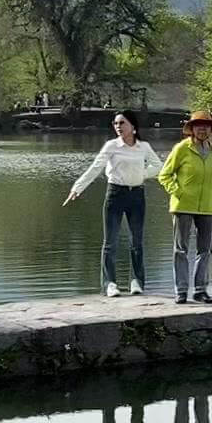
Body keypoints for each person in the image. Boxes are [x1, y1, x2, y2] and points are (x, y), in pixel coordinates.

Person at [66, 110, 165, 298]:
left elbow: (158, 166)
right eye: (116, 124)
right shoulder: (111, 146)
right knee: (110, 242)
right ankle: (110, 283)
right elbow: (95, 167)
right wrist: (78, 187)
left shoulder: (143, 147)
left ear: (133, 127)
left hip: (136, 195)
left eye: (122, 123)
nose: (118, 127)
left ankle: (137, 281)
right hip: (115, 194)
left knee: (136, 241)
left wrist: (141, 175)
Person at [158, 111, 212, 304]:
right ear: (192, 129)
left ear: (211, 129)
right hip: (183, 206)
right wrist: (178, 192)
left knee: (205, 249)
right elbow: (164, 175)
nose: (202, 129)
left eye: (206, 126)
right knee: (181, 249)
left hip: (206, 207)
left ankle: (200, 290)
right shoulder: (182, 149)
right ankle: (181, 291)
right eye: (198, 126)